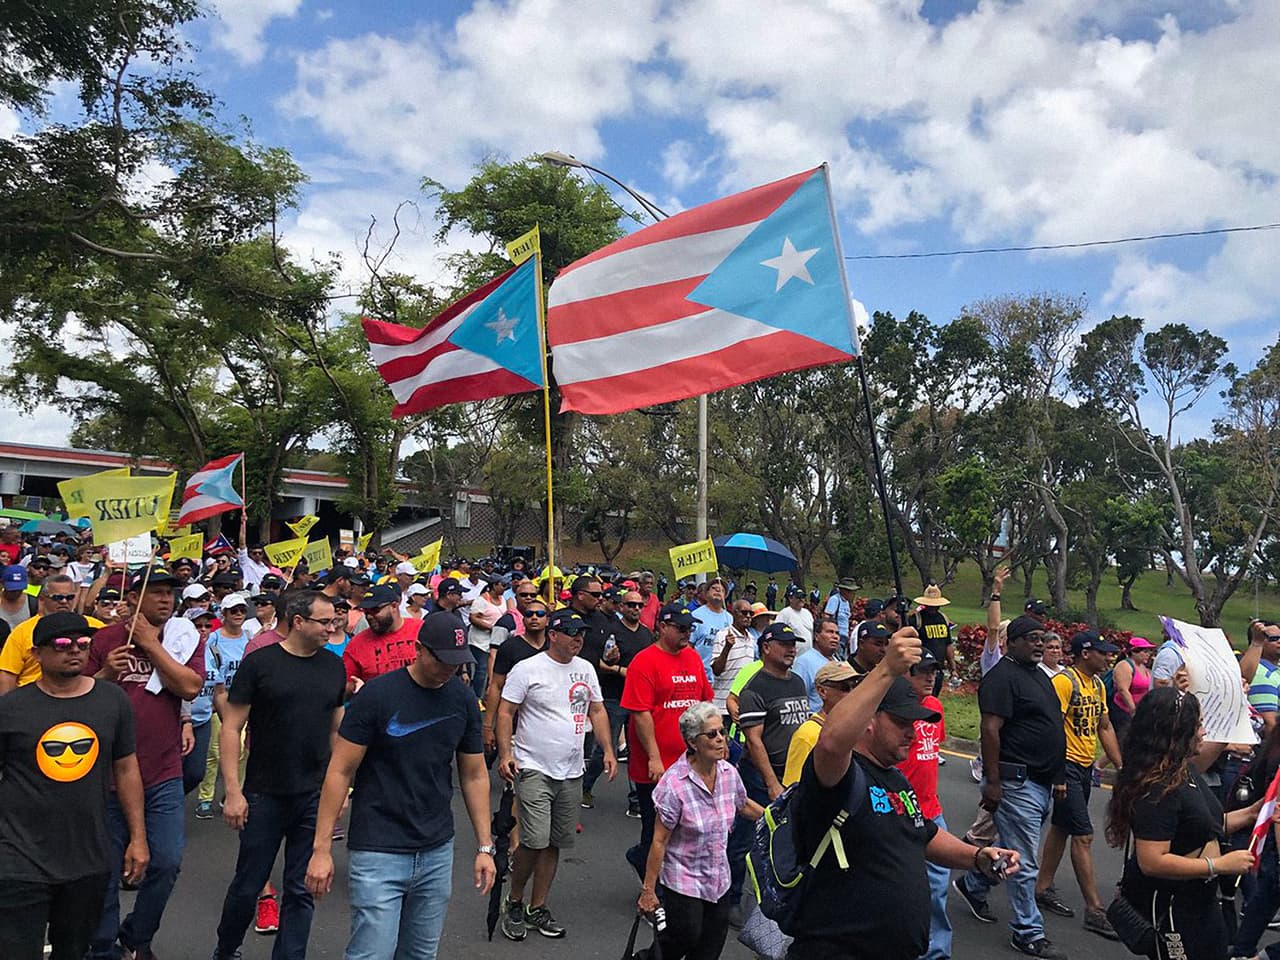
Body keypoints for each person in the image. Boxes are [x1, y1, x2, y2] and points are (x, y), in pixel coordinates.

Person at [788, 626, 1022, 960]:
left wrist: (977, 857)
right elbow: (829, 742)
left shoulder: (895, 779)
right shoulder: (839, 777)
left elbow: (923, 834)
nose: (913, 733)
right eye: (901, 722)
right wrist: (886, 668)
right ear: (868, 720)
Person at [305, 611, 496, 960]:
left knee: (421, 954)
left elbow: (474, 774)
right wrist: (321, 849)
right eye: (442, 660)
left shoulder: (463, 699)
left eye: (457, 662)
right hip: (378, 847)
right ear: (419, 650)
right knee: (371, 953)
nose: (450, 670)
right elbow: (340, 771)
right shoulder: (378, 696)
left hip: (436, 849)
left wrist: (485, 847)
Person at [0, 612, 148, 960]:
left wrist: (138, 838)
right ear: (36, 655)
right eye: (63, 644)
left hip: (88, 858)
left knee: (73, 952)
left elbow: (126, 769)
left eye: (84, 644)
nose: (75, 651)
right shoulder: (11, 709)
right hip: (19, 856)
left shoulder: (113, 702)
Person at [209, 591, 347, 960]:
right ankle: (226, 949)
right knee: (248, 884)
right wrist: (233, 791)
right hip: (263, 793)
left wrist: (341, 784)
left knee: (302, 889)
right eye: (324, 622)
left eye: (335, 621)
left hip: (313, 795)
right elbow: (231, 726)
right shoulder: (260, 663)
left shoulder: (334, 667)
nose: (332, 628)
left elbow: (337, 730)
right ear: (298, 621)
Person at [86, 568, 204, 960]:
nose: (165, 600)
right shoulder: (104, 640)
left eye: (170, 593)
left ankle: (137, 935)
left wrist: (150, 645)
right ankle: (103, 947)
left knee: (167, 861)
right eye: (155, 592)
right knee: (104, 871)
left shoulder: (184, 638)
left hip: (162, 770)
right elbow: (77, 696)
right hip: (106, 775)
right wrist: (105, 673)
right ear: (132, 597)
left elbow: (189, 686)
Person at [1107, 688, 1263, 960]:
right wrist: (1218, 865)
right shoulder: (1156, 789)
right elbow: (1152, 861)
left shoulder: (1184, 771)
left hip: (1201, 902)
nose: (1203, 732)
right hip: (1172, 908)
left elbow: (1206, 826)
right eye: (1198, 725)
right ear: (1177, 732)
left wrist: (1252, 813)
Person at [951, 615, 1067, 959]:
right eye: (1031, 638)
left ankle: (973, 884)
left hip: (1042, 781)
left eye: (1041, 638)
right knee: (1027, 860)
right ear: (1011, 642)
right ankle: (1027, 931)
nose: (1038, 644)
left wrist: (1058, 774)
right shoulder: (1001, 678)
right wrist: (993, 780)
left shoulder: (1038, 676)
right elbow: (990, 731)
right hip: (1015, 781)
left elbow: (1052, 726)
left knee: (1015, 849)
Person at [496, 608, 615, 940]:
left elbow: (597, 709)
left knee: (554, 843)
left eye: (582, 633)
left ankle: (537, 907)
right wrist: (505, 753)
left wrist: (607, 749)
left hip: (572, 769)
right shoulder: (528, 668)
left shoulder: (586, 669)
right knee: (533, 839)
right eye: (572, 632)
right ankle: (515, 900)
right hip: (533, 766)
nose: (578, 638)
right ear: (553, 635)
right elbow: (506, 711)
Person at [638, 702, 764, 960]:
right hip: (684, 877)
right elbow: (659, 840)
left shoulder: (729, 773)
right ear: (693, 742)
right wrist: (648, 891)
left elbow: (743, 804)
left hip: (718, 877)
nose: (721, 739)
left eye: (722, 732)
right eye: (712, 734)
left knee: (710, 948)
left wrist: (776, 819)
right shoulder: (674, 785)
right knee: (684, 935)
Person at [1034, 631, 1124, 939]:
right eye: (1103, 653)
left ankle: (1042, 887)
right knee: (1083, 835)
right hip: (1067, 767)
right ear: (1085, 653)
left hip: (1084, 768)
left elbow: (1105, 726)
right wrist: (1058, 773)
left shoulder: (1098, 685)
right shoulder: (1063, 682)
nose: (1109, 657)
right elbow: (1051, 729)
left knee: (1062, 827)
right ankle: (1094, 909)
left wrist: (1121, 767)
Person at [621, 602, 714, 879]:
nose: (687, 634)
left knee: (684, 826)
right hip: (656, 764)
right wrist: (653, 757)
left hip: (688, 762)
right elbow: (641, 714)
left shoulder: (693, 658)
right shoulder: (645, 661)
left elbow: (703, 701)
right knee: (656, 827)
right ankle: (653, 883)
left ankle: (657, 868)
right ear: (662, 627)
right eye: (681, 628)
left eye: (690, 629)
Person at [897, 649, 951, 960]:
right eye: (922, 671)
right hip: (900, 812)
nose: (930, 677)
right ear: (906, 673)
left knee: (937, 888)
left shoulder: (934, 707)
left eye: (933, 671)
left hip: (932, 811)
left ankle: (936, 953)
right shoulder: (895, 710)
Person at [582, 588, 651, 811]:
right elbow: (597, 661)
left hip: (640, 699)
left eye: (639, 605)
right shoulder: (611, 630)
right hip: (614, 697)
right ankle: (585, 786)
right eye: (631, 605)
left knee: (638, 748)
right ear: (622, 607)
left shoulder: (646, 633)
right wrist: (618, 667)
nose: (636, 609)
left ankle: (636, 800)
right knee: (604, 746)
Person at [0, 573, 105, 693]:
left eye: (70, 597)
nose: (64, 602)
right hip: (32, 699)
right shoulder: (23, 631)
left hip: (84, 695)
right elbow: (8, 674)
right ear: (42, 599)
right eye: (57, 598)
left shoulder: (95, 627)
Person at [782, 659, 857, 786]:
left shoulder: (856, 728)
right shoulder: (808, 734)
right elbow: (794, 788)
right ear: (822, 691)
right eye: (845, 688)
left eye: (855, 686)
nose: (852, 693)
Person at [343, 584, 423, 697]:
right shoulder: (356, 644)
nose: (369, 616)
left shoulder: (421, 630)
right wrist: (357, 689)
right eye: (366, 612)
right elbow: (345, 686)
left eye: (375, 610)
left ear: (394, 606)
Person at [709, 599, 755, 718]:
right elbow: (716, 670)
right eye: (744, 613)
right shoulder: (722, 635)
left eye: (751, 613)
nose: (748, 616)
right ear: (734, 613)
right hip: (722, 705)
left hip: (742, 706)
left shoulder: (751, 638)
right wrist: (727, 647)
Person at [1107, 636, 1154, 750]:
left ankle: (1100, 765)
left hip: (1138, 711)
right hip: (1122, 710)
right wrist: (1133, 710)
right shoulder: (1125, 666)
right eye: (1144, 651)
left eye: (1149, 651)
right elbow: (1123, 690)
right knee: (1125, 742)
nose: (1148, 654)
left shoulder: (1143, 667)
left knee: (1133, 742)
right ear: (1134, 651)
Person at [911, 584, 957, 695]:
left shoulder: (943, 618)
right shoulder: (916, 619)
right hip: (921, 668)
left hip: (938, 668)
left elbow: (948, 644)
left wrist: (953, 668)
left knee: (934, 698)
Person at [792, 615, 841, 711]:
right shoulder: (804, 662)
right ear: (816, 636)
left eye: (837, 633)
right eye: (829, 632)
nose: (835, 636)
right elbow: (797, 699)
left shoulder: (838, 661)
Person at [690, 577, 732, 679]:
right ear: (706, 593)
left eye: (722, 590)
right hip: (700, 675)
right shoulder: (696, 615)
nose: (718, 591)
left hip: (722, 677)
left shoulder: (730, 618)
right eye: (714, 588)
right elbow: (688, 645)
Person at [824, 577, 856, 653]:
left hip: (845, 636)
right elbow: (827, 616)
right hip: (837, 635)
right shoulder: (835, 599)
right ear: (845, 591)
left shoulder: (847, 603)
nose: (852, 594)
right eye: (851, 591)